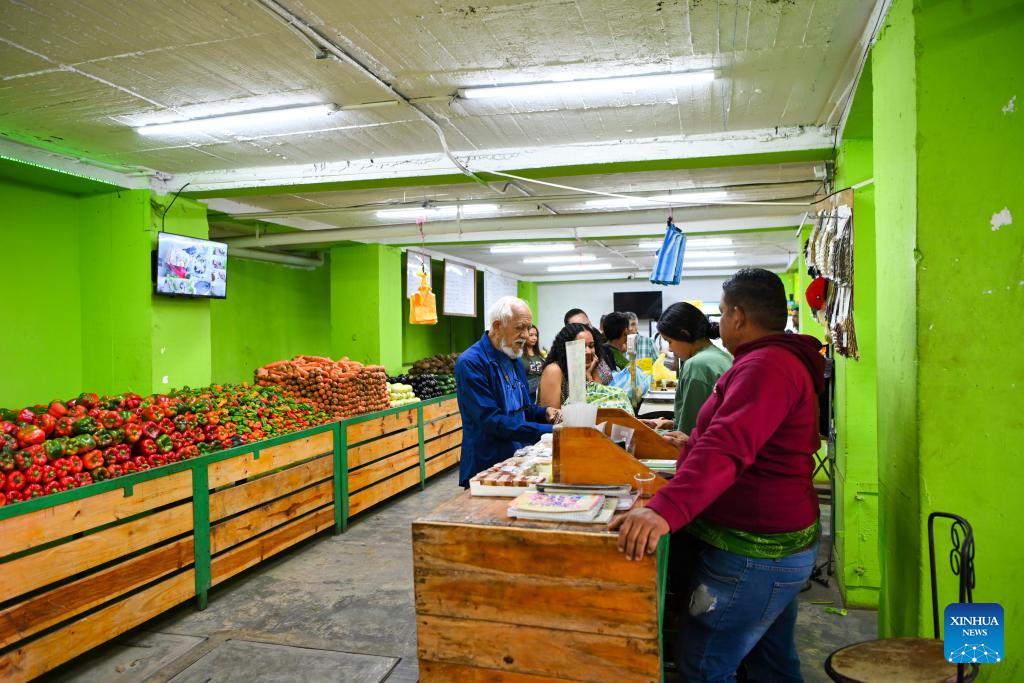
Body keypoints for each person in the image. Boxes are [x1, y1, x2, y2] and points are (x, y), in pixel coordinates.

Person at [610, 268, 825, 682]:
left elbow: (728, 446)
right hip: (774, 542)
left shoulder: (766, 366)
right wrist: (691, 443)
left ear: (739, 317)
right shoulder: (765, 361)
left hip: (755, 548)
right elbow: (740, 436)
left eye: (723, 313)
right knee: (770, 662)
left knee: (703, 664)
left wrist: (664, 510)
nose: (719, 322)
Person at [455, 296, 559, 487]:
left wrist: (545, 412)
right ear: (497, 326)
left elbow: (523, 408)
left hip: (518, 459)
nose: (526, 335)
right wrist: (549, 431)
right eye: (520, 328)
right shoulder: (472, 363)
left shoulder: (514, 357)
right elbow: (491, 421)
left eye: (528, 328)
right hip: (487, 464)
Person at [645, 302, 732, 449]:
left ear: (684, 334)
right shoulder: (720, 356)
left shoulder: (697, 365)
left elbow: (686, 436)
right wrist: (672, 423)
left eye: (670, 342)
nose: (670, 349)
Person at [538, 324, 631, 413]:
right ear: (566, 348)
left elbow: (600, 403)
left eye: (591, 346)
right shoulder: (554, 370)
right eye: (581, 346)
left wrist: (589, 375)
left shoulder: (591, 366)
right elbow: (552, 416)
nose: (588, 351)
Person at [520, 325, 546, 397]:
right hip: (525, 395)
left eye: (536, 335)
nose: (534, 338)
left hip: (540, 395)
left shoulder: (540, 356)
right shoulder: (519, 355)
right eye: (531, 335)